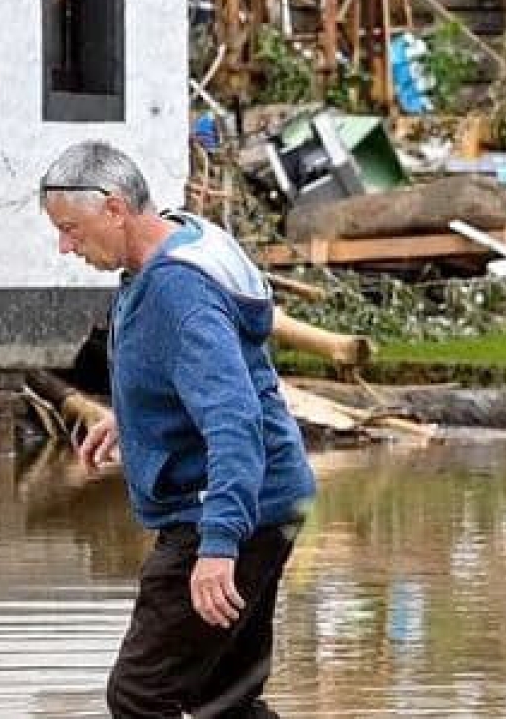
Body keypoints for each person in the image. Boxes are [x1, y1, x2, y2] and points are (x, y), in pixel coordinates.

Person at [38, 140, 316, 718]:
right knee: (224, 698)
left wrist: (219, 545)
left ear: (115, 208)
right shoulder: (178, 238)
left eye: (71, 229)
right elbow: (210, 373)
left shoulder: (176, 290)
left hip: (226, 509)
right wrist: (136, 418)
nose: (65, 246)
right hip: (266, 499)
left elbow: (235, 421)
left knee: (142, 695)